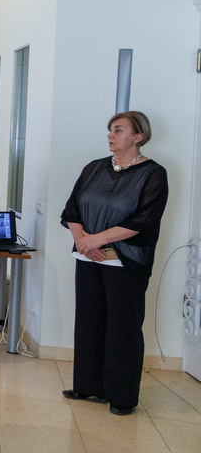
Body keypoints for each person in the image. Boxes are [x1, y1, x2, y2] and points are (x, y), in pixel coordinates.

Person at [60, 111, 168, 416]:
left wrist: (96, 240)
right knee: (89, 321)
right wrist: (83, 241)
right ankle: (87, 385)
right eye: (110, 129)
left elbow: (143, 220)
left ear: (138, 136)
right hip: (89, 257)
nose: (110, 135)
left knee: (123, 327)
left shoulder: (154, 174)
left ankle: (121, 396)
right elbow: (72, 209)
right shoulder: (94, 167)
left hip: (127, 262)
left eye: (118, 130)